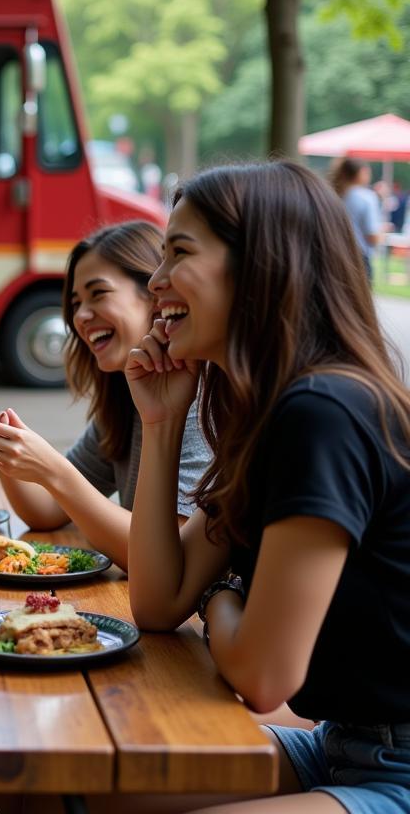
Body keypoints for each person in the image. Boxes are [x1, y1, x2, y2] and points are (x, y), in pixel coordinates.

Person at [125, 161, 410, 813]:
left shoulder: (325, 412)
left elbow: (262, 675)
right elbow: (159, 601)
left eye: (179, 252)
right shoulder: (275, 411)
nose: (156, 279)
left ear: (260, 264)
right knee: (59, 790)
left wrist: (223, 593)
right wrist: (162, 422)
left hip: (398, 771)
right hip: (340, 746)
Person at [0, 221, 209, 570]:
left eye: (98, 293)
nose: (80, 316)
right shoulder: (125, 398)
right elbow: (47, 512)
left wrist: (54, 471)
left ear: (155, 294)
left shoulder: (195, 398)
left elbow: (166, 561)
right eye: (75, 302)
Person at [330, 156, 383, 282]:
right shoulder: (367, 197)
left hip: (334, 256)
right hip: (359, 259)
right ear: (361, 173)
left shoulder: (332, 195)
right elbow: (372, 237)